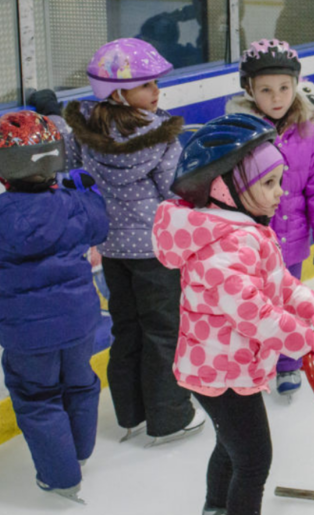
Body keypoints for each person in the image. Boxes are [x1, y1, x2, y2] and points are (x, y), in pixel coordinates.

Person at [154, 113, 314, 515]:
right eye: (268, 183)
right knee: (254, 460)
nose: (280, 193)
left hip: (228, 364)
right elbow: (252, 312)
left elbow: (279, 283)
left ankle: (215, 508)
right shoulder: (224, 246)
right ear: (223, 187)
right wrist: (301, 337)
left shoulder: (244, 232)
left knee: (230, 446)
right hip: (219, 371)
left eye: (279, 181)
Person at [0, 112, 108, 503]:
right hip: (81, 321)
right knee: (81, 382)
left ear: (2, 171)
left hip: (26, 333)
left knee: (37, 397)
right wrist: (87, 190)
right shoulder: (77, 205)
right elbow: (100, 224)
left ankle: (61, 476)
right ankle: (78, 455)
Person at [65, 38, 205, 445]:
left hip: (111, 250)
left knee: (126, 329)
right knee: (163, 331)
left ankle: (131, 415)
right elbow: (173, 191)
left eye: (156, 83)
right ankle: (170, 418)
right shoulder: (160, 136)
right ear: (119, 93)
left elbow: (76, 178)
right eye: (147, 85)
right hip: (155, 251)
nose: (156, 92)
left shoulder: (84, 132)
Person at [225, 39, 314, 396]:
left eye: (284, 88)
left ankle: (288, 363)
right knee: (253, 306)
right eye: (266, 90)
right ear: (249, 90)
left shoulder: (308, 133)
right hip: (250, 248)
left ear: (296, 85)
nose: (277, 98)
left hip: (292, 243)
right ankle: (252, 362)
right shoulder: (237, 133)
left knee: (290, 304)